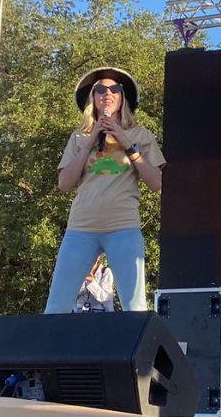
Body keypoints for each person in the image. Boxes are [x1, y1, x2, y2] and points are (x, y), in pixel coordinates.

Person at [44, 67, 166, 313]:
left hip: (123, 227)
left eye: (114, 89)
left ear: (122, 98)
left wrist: (123, 140)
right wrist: (90, 141)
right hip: (80, 229)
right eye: (99, 89)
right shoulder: (79, 138)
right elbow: (64, 184)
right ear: (93, 99)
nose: (106, 93)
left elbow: (157, 183)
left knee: (135, 307)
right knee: (57, 306)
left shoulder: (140, 135)